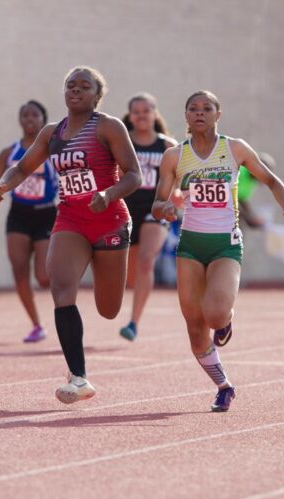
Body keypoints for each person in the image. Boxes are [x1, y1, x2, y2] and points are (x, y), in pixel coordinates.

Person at [0, 67, 142, 404]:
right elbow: (22, 167)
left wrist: (110, 194)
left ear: (97, 95)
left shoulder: (108, 126)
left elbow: (134, 174)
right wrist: (2, 185)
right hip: (71, 218)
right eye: (71, 86)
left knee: (109, 308)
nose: (76, 91)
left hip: (109, 220)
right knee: (60, 287)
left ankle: (83, 365)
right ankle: (78, 377)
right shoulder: (52, 132)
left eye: (84, 87)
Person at [152, 90, 284, 412]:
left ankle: (226, 319)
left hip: (225, 245)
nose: (200, 113)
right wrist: (164, 208)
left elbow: (272, 181)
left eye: (207, 108)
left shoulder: (234, 149)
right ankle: (224, 386)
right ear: (186, 116)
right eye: (193, 108)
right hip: (190, 245)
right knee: (194, 328)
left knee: (215, 314)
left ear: (218, 114)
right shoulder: (175, 157)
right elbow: (159, 201)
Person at [0, 100, 57, 343]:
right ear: (19, 120)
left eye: (34, 115)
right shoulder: (10, 153)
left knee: (44, 276)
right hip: (19, 214)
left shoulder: (52, 150)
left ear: (43, 119)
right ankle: (36, 324)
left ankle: (65, 305)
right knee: (19, 271)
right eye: (24, 115)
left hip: (46, 213)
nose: (29, 119)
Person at [118, 93, 180, 341]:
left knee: (147, 260)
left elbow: (179, 180)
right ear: (130, 116)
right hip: (124, 207)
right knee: (130, 275)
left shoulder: (167, 146)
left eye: (147, 110)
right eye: (137, 111)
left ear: (155, 114)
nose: (142, 115)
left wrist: (176, 198)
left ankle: (133, 322)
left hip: (156, 207)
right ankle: (130, 302)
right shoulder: (121, 142)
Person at [238, 152, 277, 228]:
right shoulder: (240, 172)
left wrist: (252, 216)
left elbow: (242, 199)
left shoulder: (252, 181)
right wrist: (248, 217)